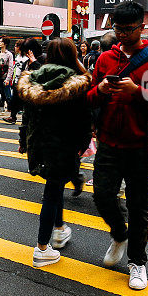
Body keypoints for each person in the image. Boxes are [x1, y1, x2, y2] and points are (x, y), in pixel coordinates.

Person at [87, 1, 148, 291]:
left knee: (139, 206)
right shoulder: (105, 59)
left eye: (128, 29)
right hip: (108, 141)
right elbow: (89, 100)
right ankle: (119, 233)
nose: (122, 34)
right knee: (102, 196)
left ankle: (137, 262)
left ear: (141, 27)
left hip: (140, 145)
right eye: (118, 29)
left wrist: (138, 92)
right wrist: (98, 90)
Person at [18, 38, 91, 267]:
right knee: (52, 191)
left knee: (55, 185)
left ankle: (59, 229)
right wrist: (84, 142)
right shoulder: (77, 82)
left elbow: (26, 116)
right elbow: (83, 119)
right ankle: (41, 248)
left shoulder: (33, 78)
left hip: (38, 144)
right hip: (64, 145)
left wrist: (23, 140)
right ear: (72, 55)